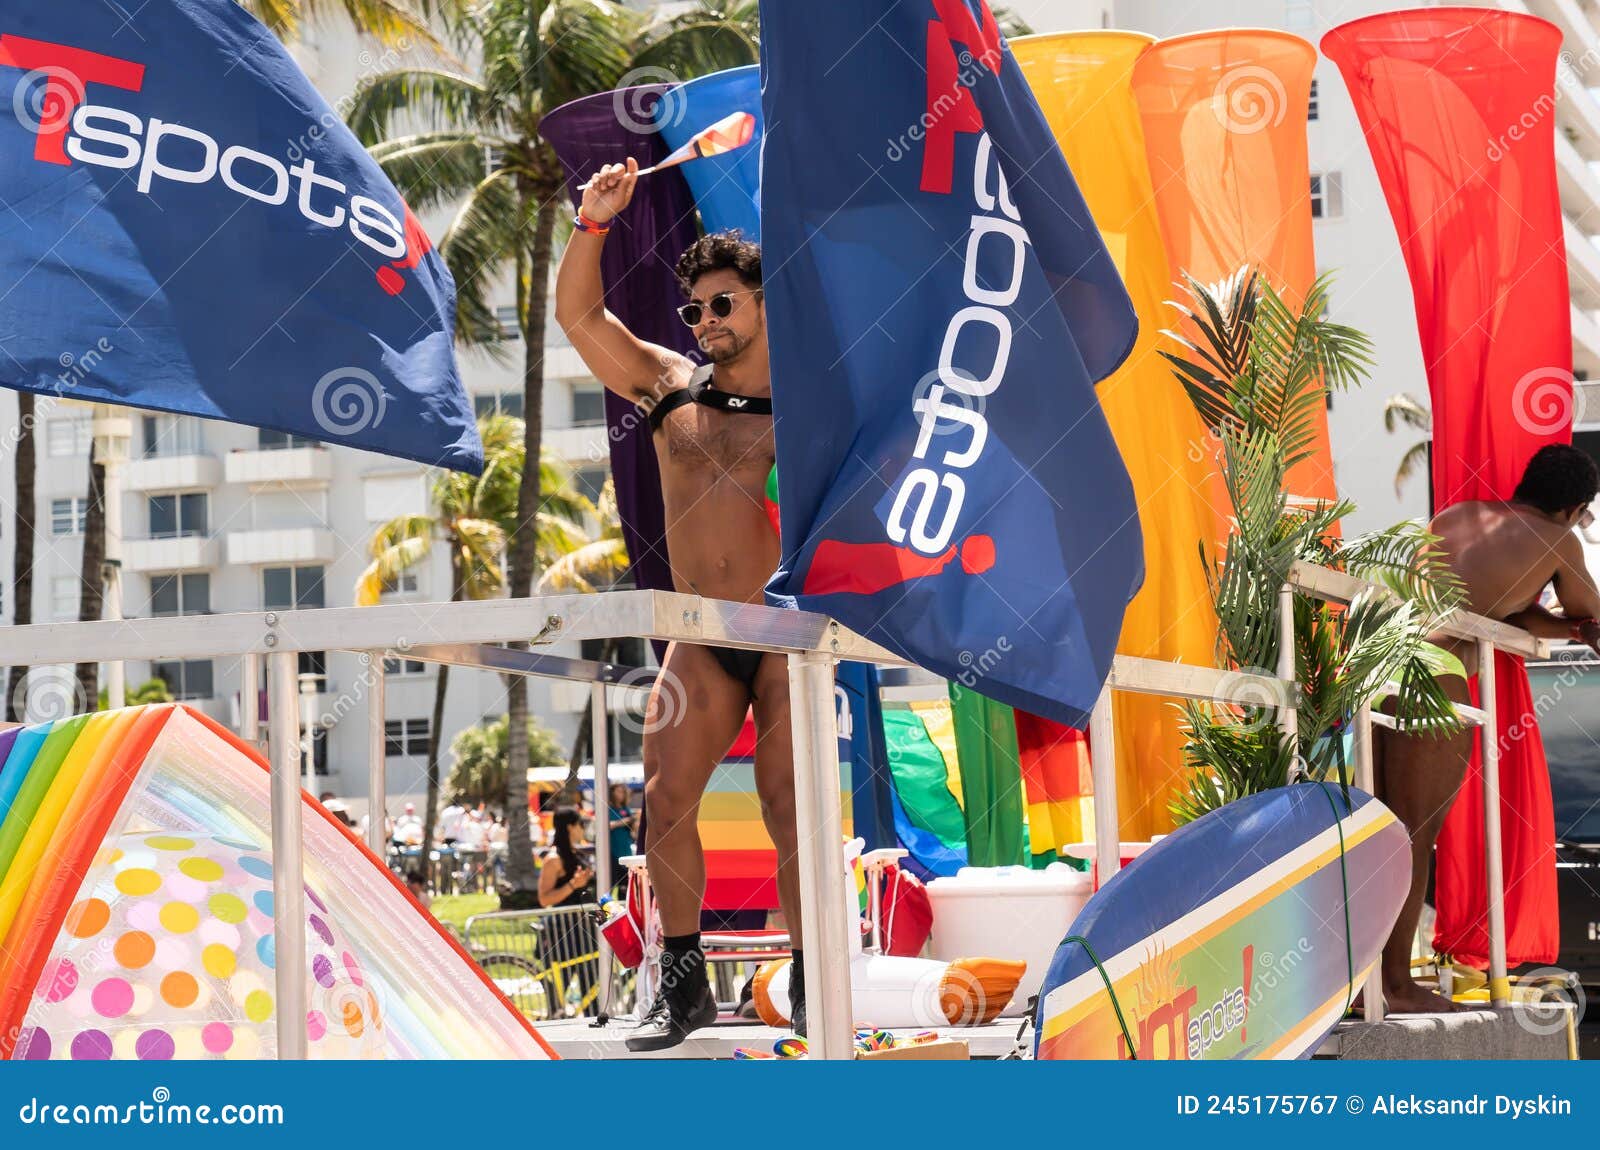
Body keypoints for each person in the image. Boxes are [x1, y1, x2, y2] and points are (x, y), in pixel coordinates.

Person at [556, 159, 809, 1050]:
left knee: (790, 806)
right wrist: (592, 222)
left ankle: (815, 977)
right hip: (699, 634)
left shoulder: (813, 404)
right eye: (694, 309)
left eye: (723, 304)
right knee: (664, 802)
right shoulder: (669, 386)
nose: (704, 321)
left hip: (787, 635)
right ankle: (685, 984)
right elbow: (580, 318)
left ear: (765, 304)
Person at [1375, 444, 1600, 1012]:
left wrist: (1566, 629)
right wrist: (1581, 624)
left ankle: (1364, 981)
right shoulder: (1560, 541)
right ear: (1575, 508)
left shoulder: (1454, 517)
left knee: (1377, 832)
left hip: (1379, 665)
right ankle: (1396, 987)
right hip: (1436, 676)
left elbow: (1502, 606)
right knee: (1412, 835)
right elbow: (1590, 606)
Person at [538, 806, 599, 1016]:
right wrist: (573, 885)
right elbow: (544, 898)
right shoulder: (553, 859)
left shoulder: (575, 853)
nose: (583, 829)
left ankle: (594, 1023)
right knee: (560, 989)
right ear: (570, 827)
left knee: (592, 983)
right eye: (581, 824)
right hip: (563, 933)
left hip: (584, 929)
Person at [606, 782, 637, 890]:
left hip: (626, 849)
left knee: (626, 884)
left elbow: (633, 830)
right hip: (612, 851)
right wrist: (624, 821)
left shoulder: (626, 809)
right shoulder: (608, 809)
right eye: (618, 791)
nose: (621, 794)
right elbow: (607, 826)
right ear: (612, 793)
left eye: (623, 792)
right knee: (612, 882)